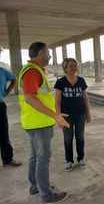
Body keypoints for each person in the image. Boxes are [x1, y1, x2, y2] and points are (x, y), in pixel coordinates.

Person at [18, 42, 70, 203]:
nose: (50, 56)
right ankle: (46, 194)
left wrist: (54, 114)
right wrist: (55, 115)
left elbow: (39, 97)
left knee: (35, 156)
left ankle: (35, 186)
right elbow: (29, 97)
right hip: (38, 124)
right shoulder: (32, 71)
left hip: (35, 122)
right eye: (48, 53)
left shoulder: (35, 70)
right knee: (43, 158)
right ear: (40, 53)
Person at [54, 58, 91, 172]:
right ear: (65, 68)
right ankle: (69, 160)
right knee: (68, 138)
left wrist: (88, 113)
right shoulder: (60, 82)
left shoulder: (81, 80)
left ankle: (81, 159)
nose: (74, 68)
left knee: (80, 137)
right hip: (66, 116)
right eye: (71, 66)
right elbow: (57, 101)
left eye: (75, 66)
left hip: (80, 115)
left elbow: (85, 98)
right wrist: (58, 117)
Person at [0, 66, 22, 167]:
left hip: (0, 105)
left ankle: (8, 159)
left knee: (3, 132)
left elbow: (14, 79)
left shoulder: (2, 71)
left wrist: (7, 91)